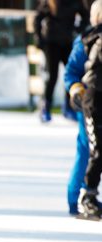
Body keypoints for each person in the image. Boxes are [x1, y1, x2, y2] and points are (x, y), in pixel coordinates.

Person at [64, 0, 101, 216]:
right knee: (87, 151)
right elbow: (71, 72)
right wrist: (77, 91)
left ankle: (87, 197)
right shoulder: (87, 40)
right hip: (91, 105)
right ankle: (76, 199)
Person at [34, 0, 89, 122]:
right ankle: (46, 107)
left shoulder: (76, 2)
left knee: (70, 74)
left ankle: (68, 107)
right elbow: (38, 18)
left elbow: (86, 15)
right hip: (51, 42)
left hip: (67, 41)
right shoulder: (49, 2)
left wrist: (79, 28)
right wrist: (39, 38)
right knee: (52, 75)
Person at [77, 0, 102, 219]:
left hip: (96, 98)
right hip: (94, 101)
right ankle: (87, 198)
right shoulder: (98, 38)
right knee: (97, 151)